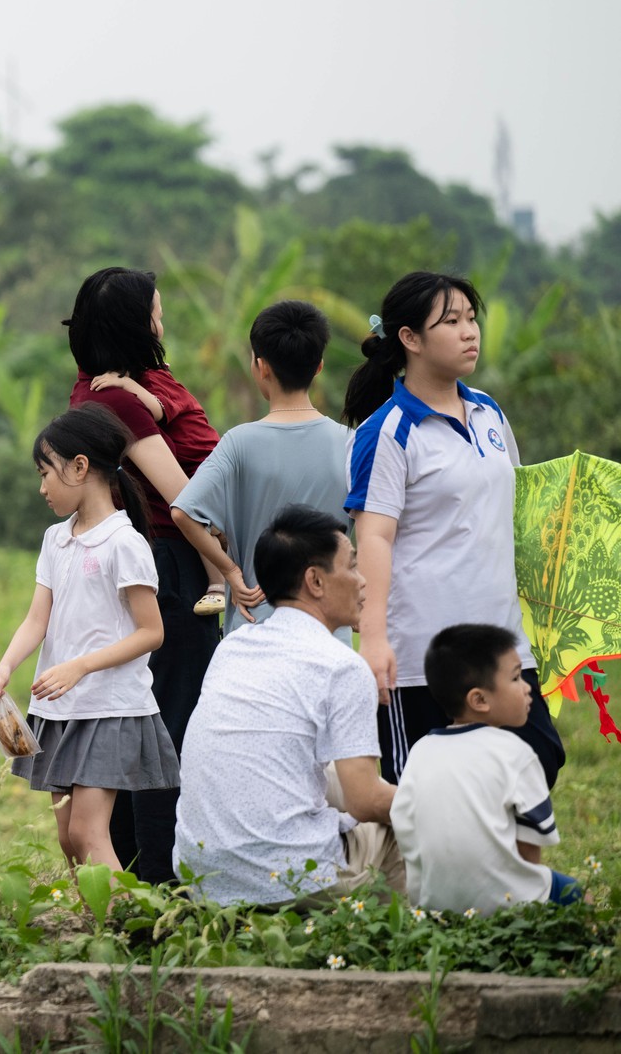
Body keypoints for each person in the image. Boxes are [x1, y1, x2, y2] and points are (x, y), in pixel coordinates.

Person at [342, 271, 564, 789]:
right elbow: (373, 537)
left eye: (471, 319)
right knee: (424, 787)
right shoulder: (388, 431)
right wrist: (373, 640)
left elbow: (510, 512)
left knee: (535, 763)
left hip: (501, 642)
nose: (470, 332)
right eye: (452, 322)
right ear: (410, 339)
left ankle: (503, 871)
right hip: (423, 652)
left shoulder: (489, 412)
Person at [63, 266, 220, 883]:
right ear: (137, 325)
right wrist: (225, 567)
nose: (162, 320)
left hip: (121, 561)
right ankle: (158, 879)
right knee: (167, 724)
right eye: (155, 311)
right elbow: (185, 500)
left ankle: (126, 871)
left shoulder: (92, 390)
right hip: (167, 558)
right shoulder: (119, 399)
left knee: (130, 715)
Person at [175, 505, 401, 906]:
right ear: (315, 581)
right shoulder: (343, 666)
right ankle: (397, 944)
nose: (363, 582)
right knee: (408, 826)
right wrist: (439, 802)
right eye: (351, 566)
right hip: (287, 883)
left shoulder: (232, 647)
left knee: (329, 773)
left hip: (202, 879)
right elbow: (365, 800)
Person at [0, 404, 178, 872]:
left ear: (79, 467)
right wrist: (6, 667)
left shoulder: (124, 542)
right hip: (59, 708)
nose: (41, 487)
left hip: (108, 707)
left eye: (45, 473)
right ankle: (99, 933)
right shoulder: (56, 539)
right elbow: (38, 619)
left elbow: (152, 632)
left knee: (87, 834)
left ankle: (127, 936)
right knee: (67, 839)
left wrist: (81, 666)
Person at [171, 300, 354, 642]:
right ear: (319, 367)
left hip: (254, 630)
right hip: (328, 633)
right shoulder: (351, 444)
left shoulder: (239, 443)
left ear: (260, 366)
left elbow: (184, 513)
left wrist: (231, 573)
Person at [391, 624, 579, 914]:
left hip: (432, 907)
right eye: (516, 677)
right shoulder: (517, 753)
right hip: (509, 906)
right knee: (577, 894)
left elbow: (404, 823)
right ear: (479, 699)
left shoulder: (419, 751)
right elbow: (531, 852)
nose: (528, 687)